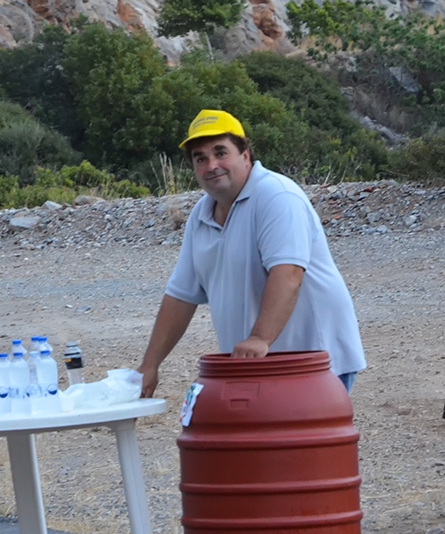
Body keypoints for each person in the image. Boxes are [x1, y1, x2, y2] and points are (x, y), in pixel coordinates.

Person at [137, 109, 366, 397]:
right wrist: (150, 365)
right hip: (257, 365)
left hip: (313, 363)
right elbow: (181, 296)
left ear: (245, 154)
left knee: (300, 429)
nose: (212, 165)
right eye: (200, 158)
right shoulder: (201, 215)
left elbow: (288, 274)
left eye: (221, 152)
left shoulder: (277, 196)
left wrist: (259, 338)